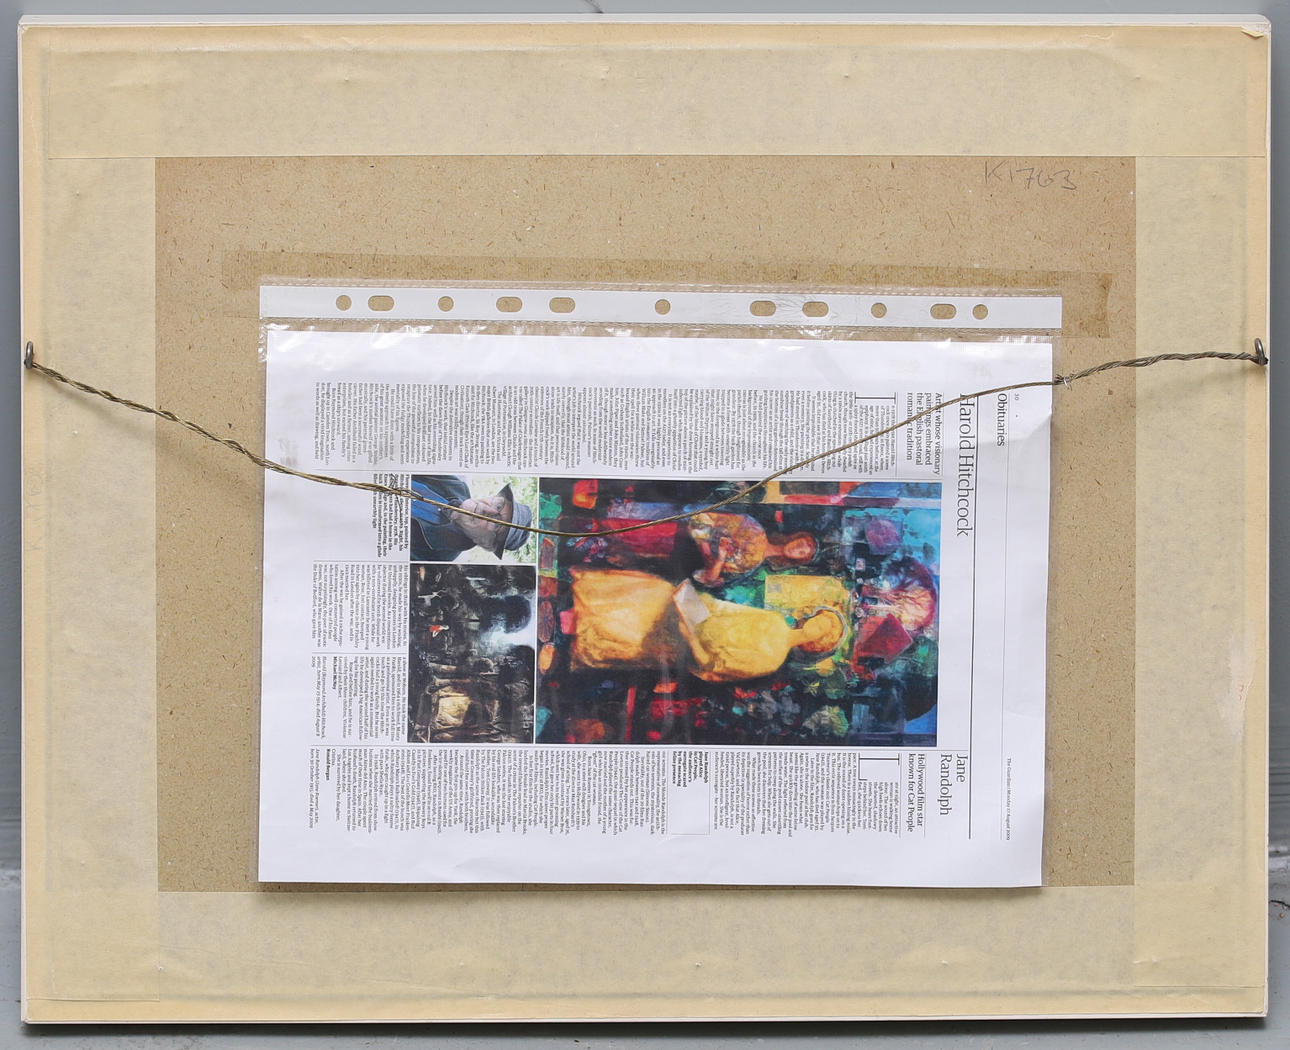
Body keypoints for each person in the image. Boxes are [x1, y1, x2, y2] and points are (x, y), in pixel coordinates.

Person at [409, 475, 533, 562]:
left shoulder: (438, 557)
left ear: (485, 543)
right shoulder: (455, 485)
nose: (487, 510)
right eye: (498, 506)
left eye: (497, 524)